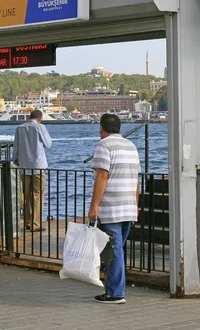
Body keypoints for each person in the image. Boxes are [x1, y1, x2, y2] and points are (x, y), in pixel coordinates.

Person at [88, 113, 140, 304]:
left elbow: (102, 176)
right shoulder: (131, 146)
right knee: (117, 250)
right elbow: (136, 180)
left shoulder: (104, 145)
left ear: (101, 128)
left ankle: (116, 293)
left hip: (111, 208)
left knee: (114, 251)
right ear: (119, 128)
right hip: (128, 207)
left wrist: (94, 206)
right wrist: (136, 204)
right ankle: (114, 290)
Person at [13, 110, 52, 232]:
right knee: (37, 195)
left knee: (26, 194)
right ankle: (35, 224)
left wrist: (16, 159)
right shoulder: (40, 127)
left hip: (24, 165)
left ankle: (27, 222)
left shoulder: (20, 128)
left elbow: (16, 146)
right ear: (39, 118)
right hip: (38, 165)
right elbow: (48, 144)